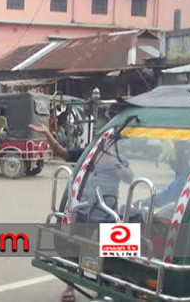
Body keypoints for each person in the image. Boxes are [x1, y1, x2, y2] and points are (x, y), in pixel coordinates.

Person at [30, 122, 132, 302]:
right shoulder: (89, 154)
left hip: (106, 213)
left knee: (104, 253)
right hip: (83, 209)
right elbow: (63, 153)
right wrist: (47, 134)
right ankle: (70, 285)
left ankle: (104, 287)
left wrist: (115, 164)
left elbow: (129, 177)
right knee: (74, 247)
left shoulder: (119, 157)